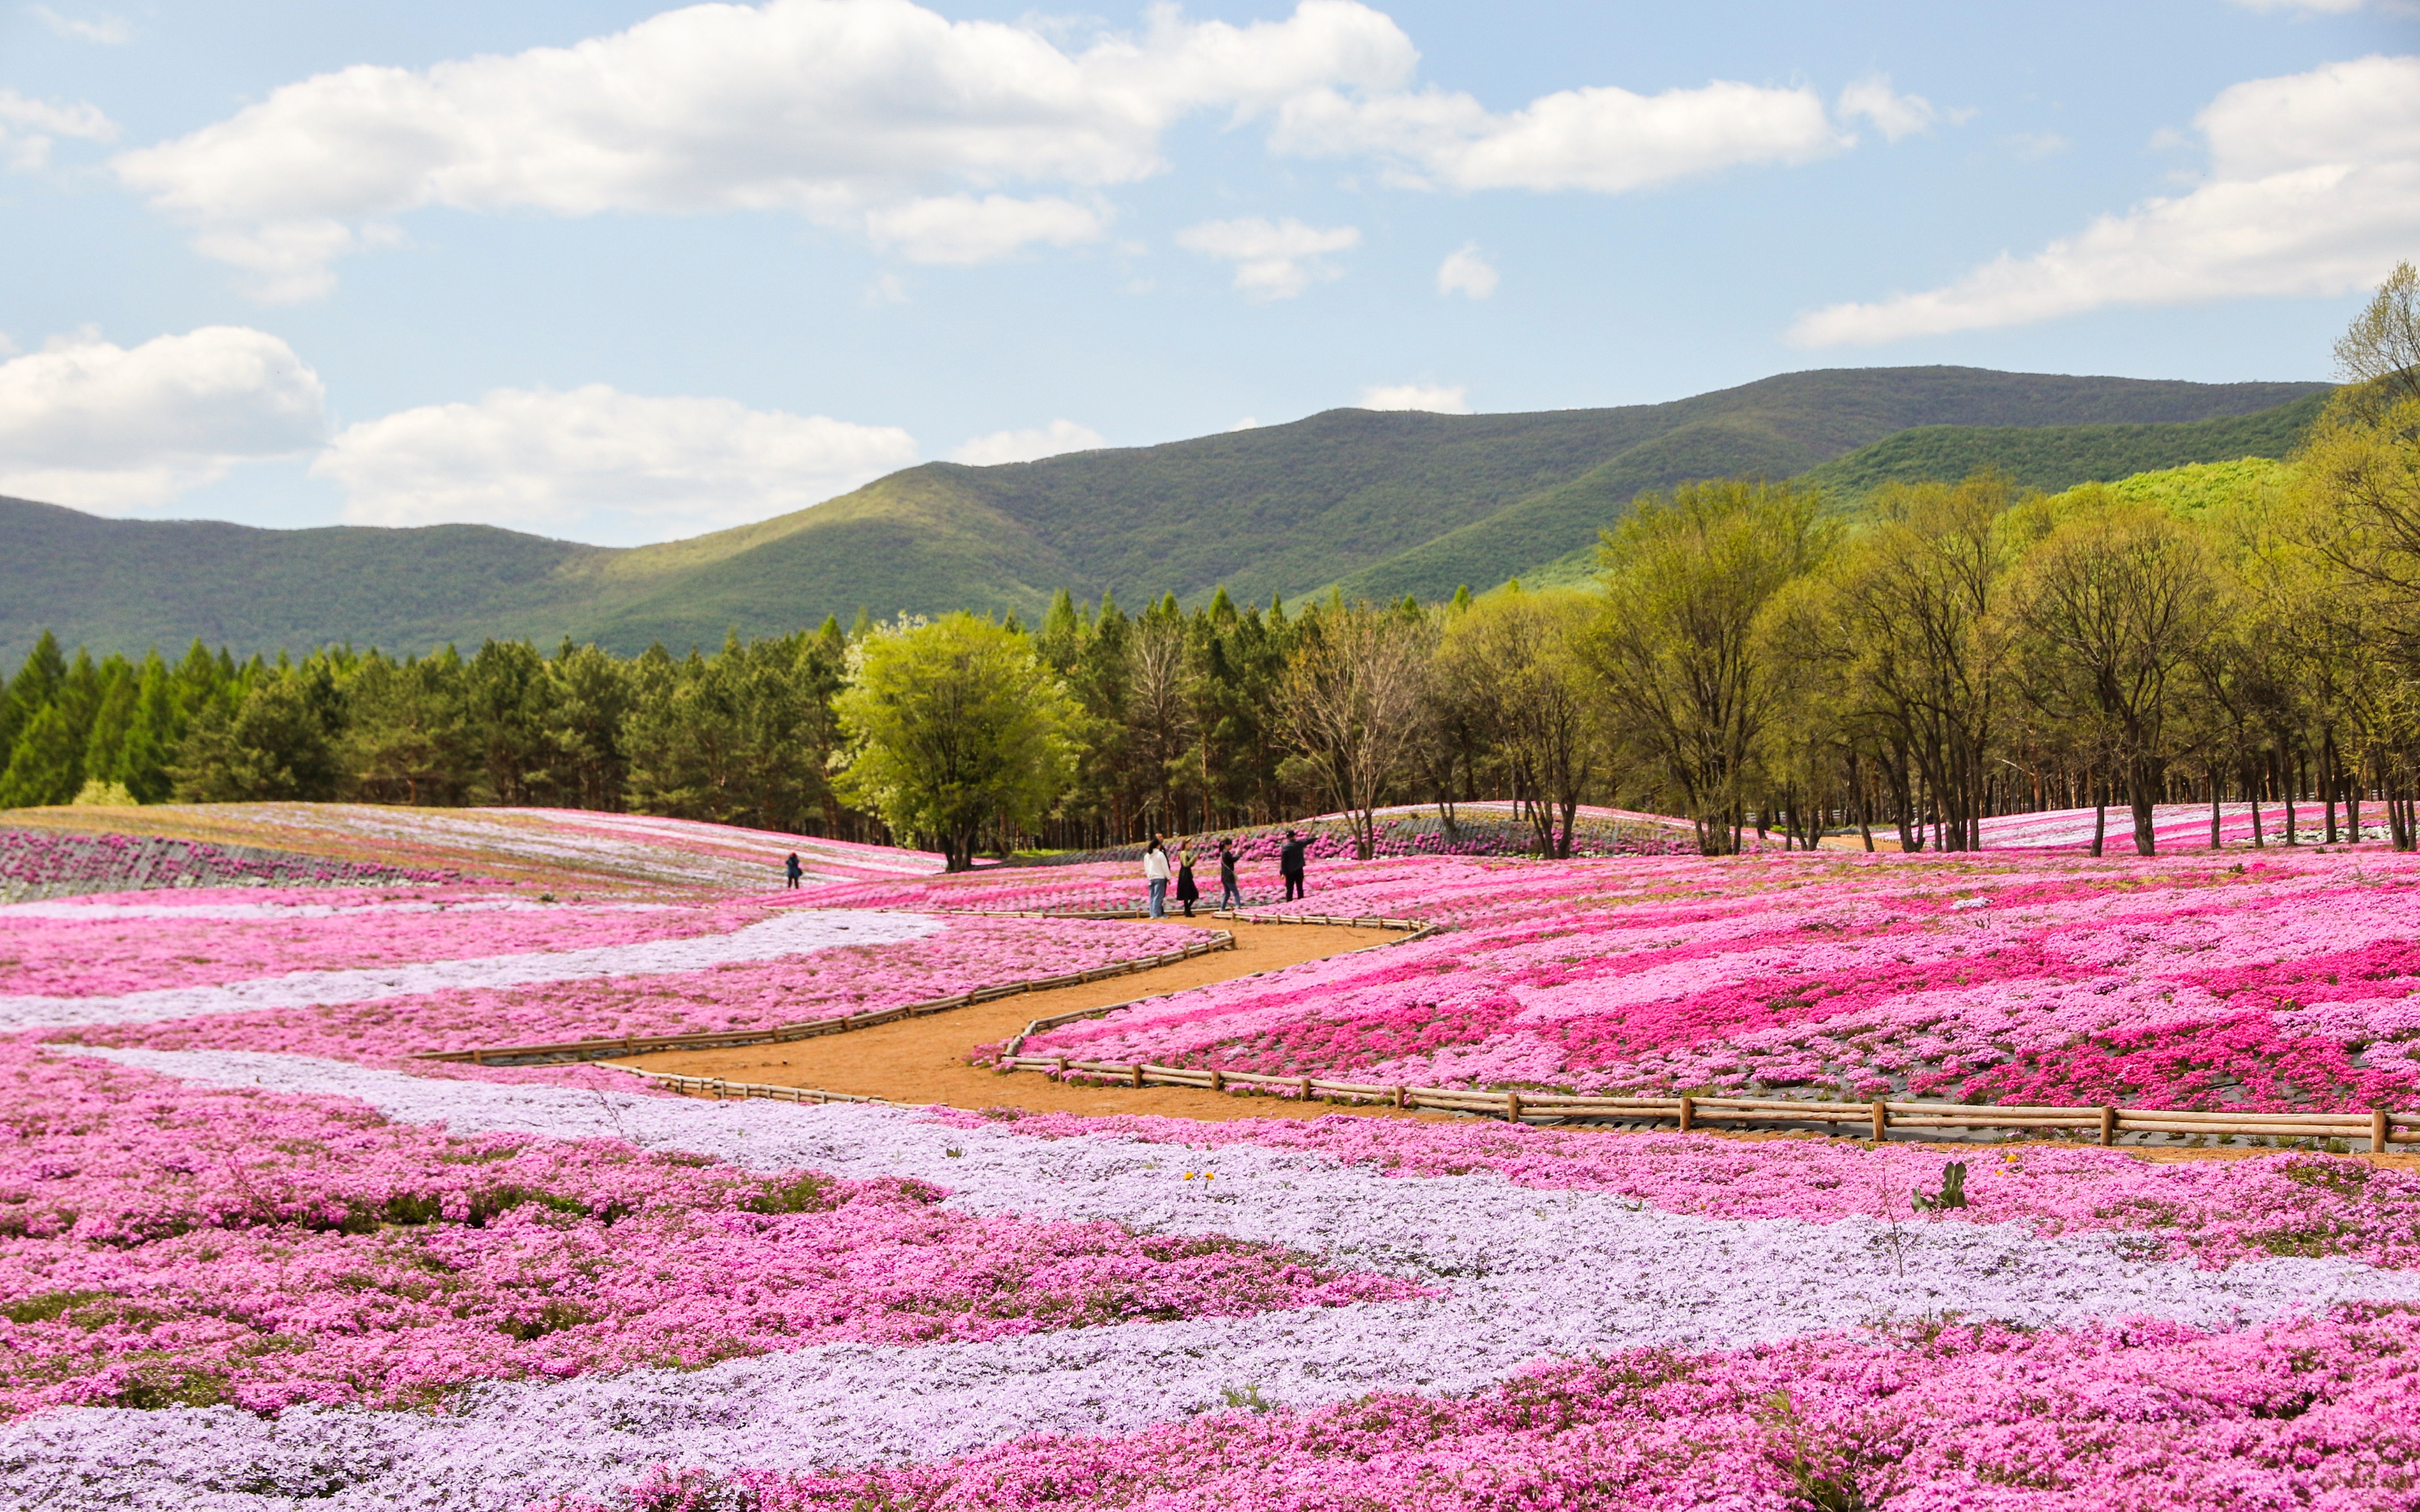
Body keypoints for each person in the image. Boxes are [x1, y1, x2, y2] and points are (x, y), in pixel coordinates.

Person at [1143, 835, 1170, 917]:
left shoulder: (1147, 855)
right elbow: (1165, 867)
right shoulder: (1160, 854)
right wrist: (1168, 877)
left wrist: (1149, 876)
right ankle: (1156, 914)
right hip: (1160, 878)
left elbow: (1146, 867)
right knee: (1158, 897)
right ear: (1158, 846)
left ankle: (1152, 914)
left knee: (1152, 897)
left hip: (1152, 878)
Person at [1279, 829, 1308, 902]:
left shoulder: (1285, 847)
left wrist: (1283, 872)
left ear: (1287, 838)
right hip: (1299, 869)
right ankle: (1301, 902)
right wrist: (1317, 838)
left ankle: (1289, 902)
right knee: (1300, 888)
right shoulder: (1300, 844)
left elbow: (1283, 861)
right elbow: (1308, 841)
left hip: (1289, 871)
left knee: (1290, 889)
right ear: (1295, 836)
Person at [1216, 838, 1242, 911]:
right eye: (1230, 845)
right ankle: (1238, 907)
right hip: (1229, 876)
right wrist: (1238, 854)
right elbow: (1233, 860)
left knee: (1227, 894)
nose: (1231, 846)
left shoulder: (1223, 853)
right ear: (1226, 845)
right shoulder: (1226, 853)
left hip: (1224, 876)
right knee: (1236, 892)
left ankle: (1222, 908)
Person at [1175, 846, 1199, 918]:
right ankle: (1187, 911)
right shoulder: (1183, 853)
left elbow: (1191, 865)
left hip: (1188, 873)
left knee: (1192, 893)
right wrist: (1193, 858)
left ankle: (1187, 910)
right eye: (1189, 844)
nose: (1191, 845)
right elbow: (1186, 864)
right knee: (1187, 893)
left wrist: (1194, 859)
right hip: (1185, 874)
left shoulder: (1188, 853)